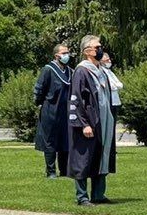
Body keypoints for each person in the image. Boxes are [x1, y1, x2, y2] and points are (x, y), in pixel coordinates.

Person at [67, 35, 115, 205]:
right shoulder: (82, 71)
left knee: (101, 156)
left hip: (103, 121)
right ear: (87, 51)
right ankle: (82, 196)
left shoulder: (101, 71)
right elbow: (77, 99)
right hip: (89, 122)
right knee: (83, 158)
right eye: (97, 47)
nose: (100, 49)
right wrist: (84, 124)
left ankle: (98, 194)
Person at [34, 44, 72, 179]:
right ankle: (51, 171)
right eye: (64, 52)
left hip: (65, 110)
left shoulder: (69, 71)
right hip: (50, 109)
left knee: (65, 139)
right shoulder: (48, 70)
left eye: (68, 52)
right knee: (50, 140)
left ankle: (65, 170)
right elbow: (39, 89)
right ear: (57, 55)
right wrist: (39, 103)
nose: (67, 55)